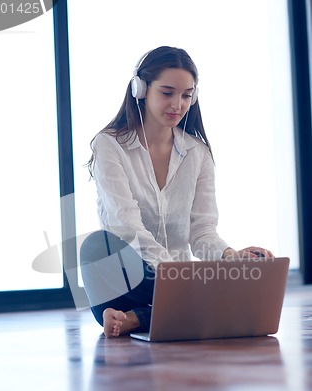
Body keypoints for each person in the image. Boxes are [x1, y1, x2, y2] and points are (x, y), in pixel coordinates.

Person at [80, 46, 273, 338]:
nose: (178, 104)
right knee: (97, 247)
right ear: (141, 90)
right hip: (131, 280)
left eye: (186, 95)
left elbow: (202, 231)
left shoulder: (198, 153)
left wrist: (228, 257)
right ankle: (193, 304)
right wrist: (180, 279)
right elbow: (127, 228)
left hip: (178, 284)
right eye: (167, 92)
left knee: (221, 276)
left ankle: (138, 318)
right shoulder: (109, 145)